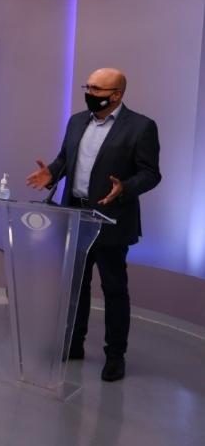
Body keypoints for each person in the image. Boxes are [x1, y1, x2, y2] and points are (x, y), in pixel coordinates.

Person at [26, 67, 160, 382]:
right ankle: (74, 343)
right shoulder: (76, 121)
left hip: (111, 220)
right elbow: (65, 159)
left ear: (116, 95)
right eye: (88, 86)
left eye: (97, 89)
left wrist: (124, 188)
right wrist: (53, 174)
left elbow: (151, 173)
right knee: (76, 285)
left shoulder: (141, 127)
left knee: (114, 289)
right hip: (74, 216)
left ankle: (115, 356)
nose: (90, 93)